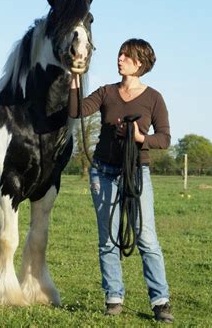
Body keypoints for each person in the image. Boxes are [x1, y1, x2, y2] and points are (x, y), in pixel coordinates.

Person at [69, 38, 174, 323]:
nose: (120, 59)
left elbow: (164, 137)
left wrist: (142, 138)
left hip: (137, 172)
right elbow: (76, 110)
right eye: (119, 54)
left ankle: (160, 300)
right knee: (108, 239)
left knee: (146, 237)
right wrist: (75, 78)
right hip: (102, 172)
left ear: (139, 63)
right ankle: (113, 297)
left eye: (126, 56)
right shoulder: (106, 92)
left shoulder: (154, 98)